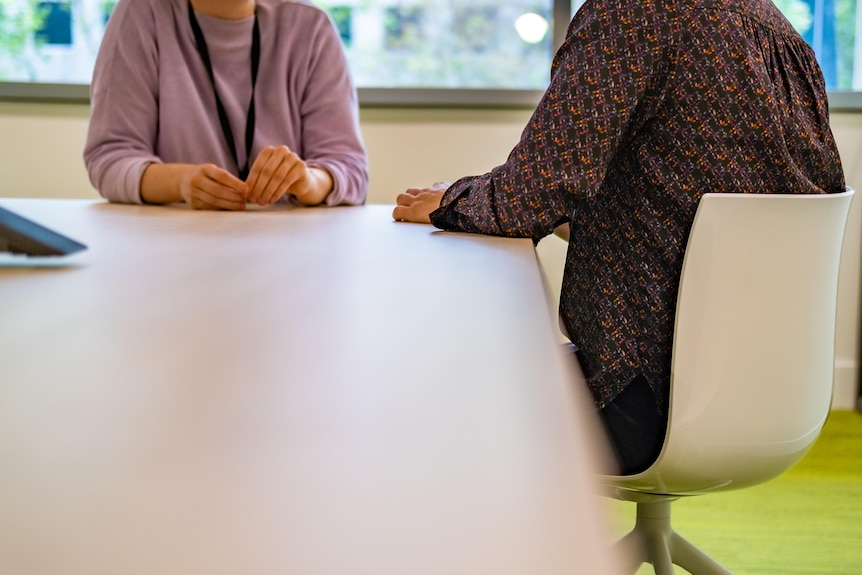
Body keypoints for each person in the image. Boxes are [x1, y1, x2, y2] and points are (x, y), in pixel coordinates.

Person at [393, 0, 845, 475]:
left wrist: (453, 200)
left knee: (422, 391)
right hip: (777, 397)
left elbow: (525, 200)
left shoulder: (633, 13)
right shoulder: (780, 35)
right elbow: (679, 216)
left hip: (641, 402)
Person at [84, 0, 368, 210]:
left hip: (288, 247)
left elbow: (349, 168)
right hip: (174, 243)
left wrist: (308, 181)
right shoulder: (141, 13)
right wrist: (181, 182)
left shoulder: (310, 26)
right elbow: (109, 157)